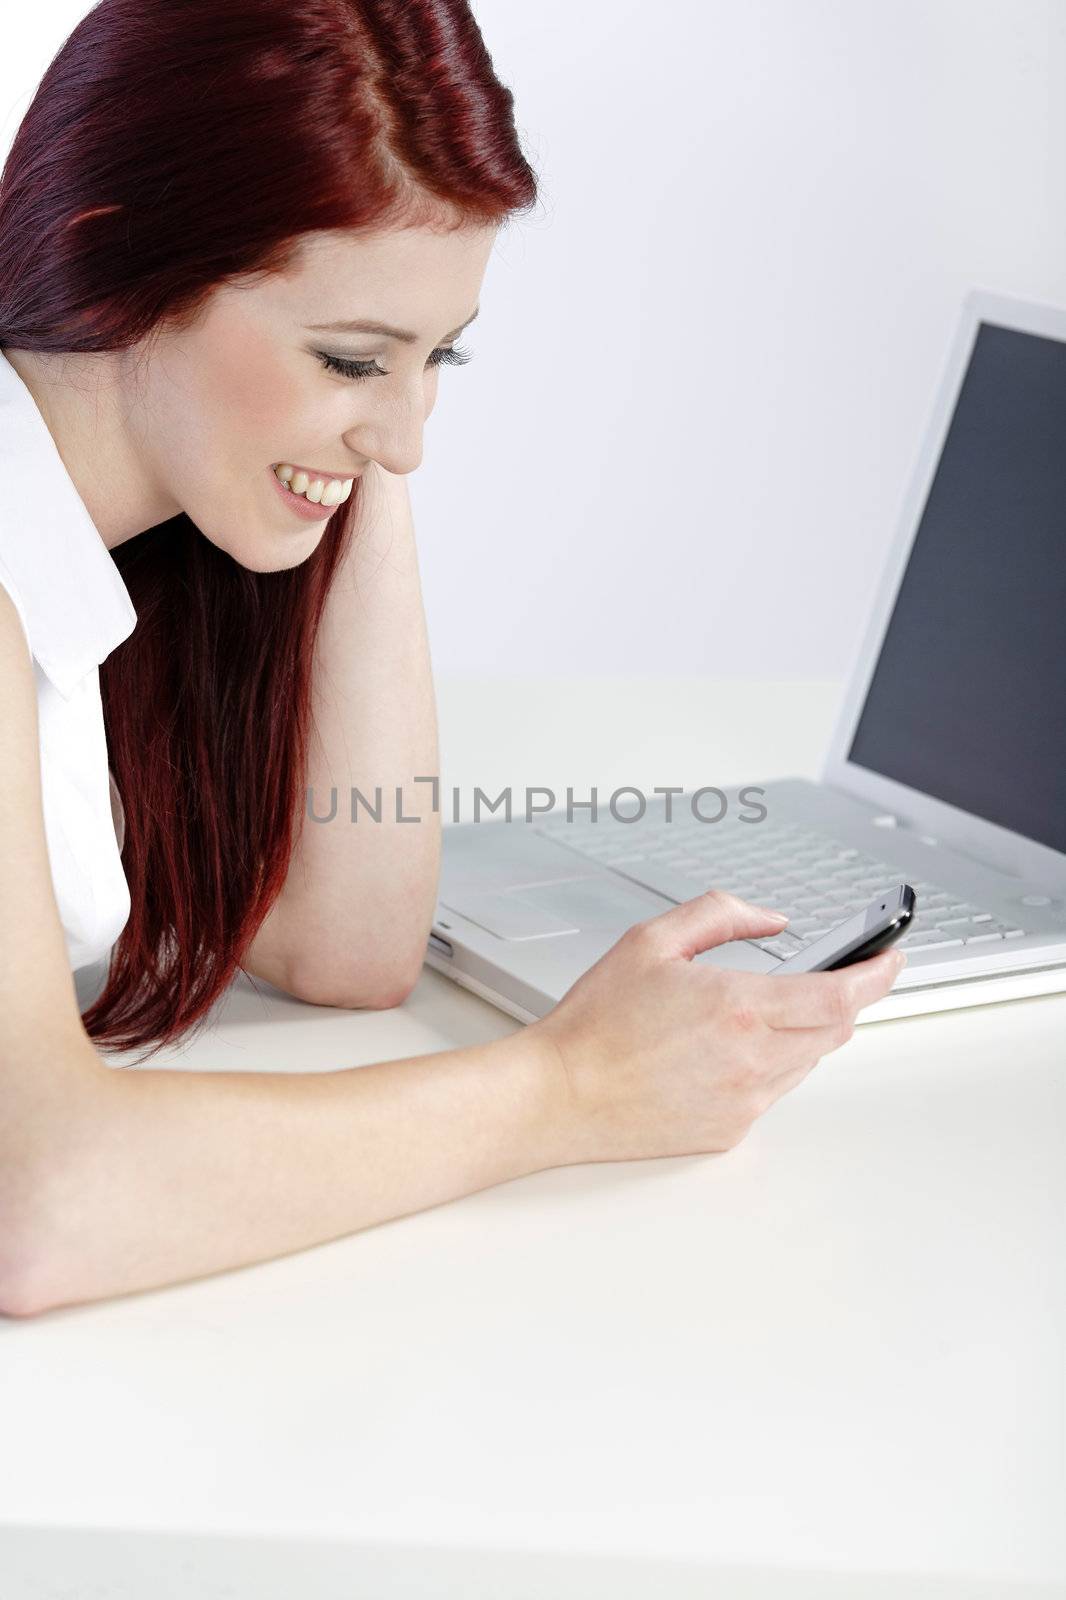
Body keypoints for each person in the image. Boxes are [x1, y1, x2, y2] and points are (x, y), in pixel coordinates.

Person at [0, 0, 903, 1320]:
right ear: (115, 260)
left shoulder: (102, 547)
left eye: (444, 357)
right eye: (349, 353)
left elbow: (348, 948)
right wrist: (568, 1086)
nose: (413, 435)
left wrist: (346, 423)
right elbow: (42, 1202)